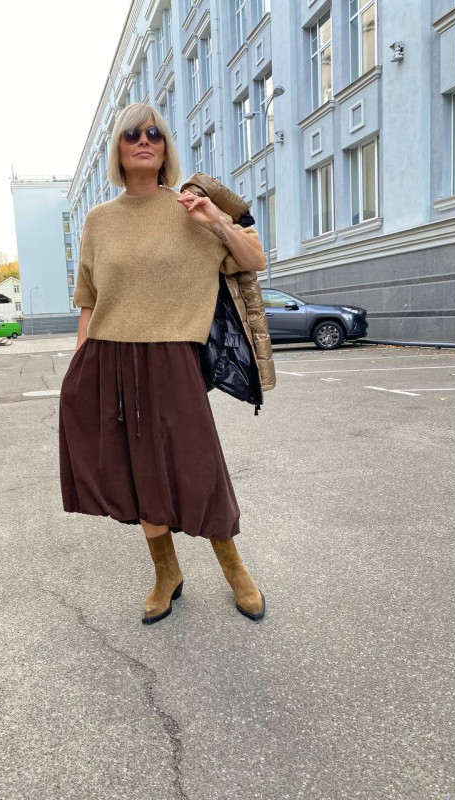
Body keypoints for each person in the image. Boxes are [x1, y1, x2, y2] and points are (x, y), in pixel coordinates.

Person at [59, 102, 267, 625]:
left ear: (166, 146)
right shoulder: (99, 220)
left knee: (200, 468)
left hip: (174, 357)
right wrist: (80, 367)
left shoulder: (190, 209)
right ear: (118, 148)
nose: (144, 141)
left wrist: (215, 220)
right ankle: (166, 572)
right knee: (137, 473)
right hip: (109, 357)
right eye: (132, 134)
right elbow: (88, 299)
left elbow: (254, 260)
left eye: (154, 133)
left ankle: (235, 569)